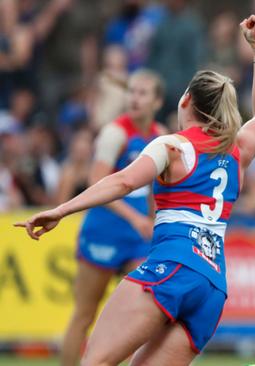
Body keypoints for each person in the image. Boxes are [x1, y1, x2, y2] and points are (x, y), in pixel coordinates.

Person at [15, 6, 255, 365]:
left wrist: (61, 209)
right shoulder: (238, 151)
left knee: (95, 361)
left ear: (185, 101)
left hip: (173, 268)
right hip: (212, 287)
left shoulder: (171, 145)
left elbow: (121, 181)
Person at [57, 68, 165, 366]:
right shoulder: (115, 133)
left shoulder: (161, 136)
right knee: (85, 315)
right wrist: (136, 219)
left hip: (139, 237)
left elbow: (158, 190)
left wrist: (155, 223)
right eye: (131, 91)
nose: (135, 98)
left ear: (157, 101)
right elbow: (97, 183)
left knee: (135, 318)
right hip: (104, 231)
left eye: (143, 93)